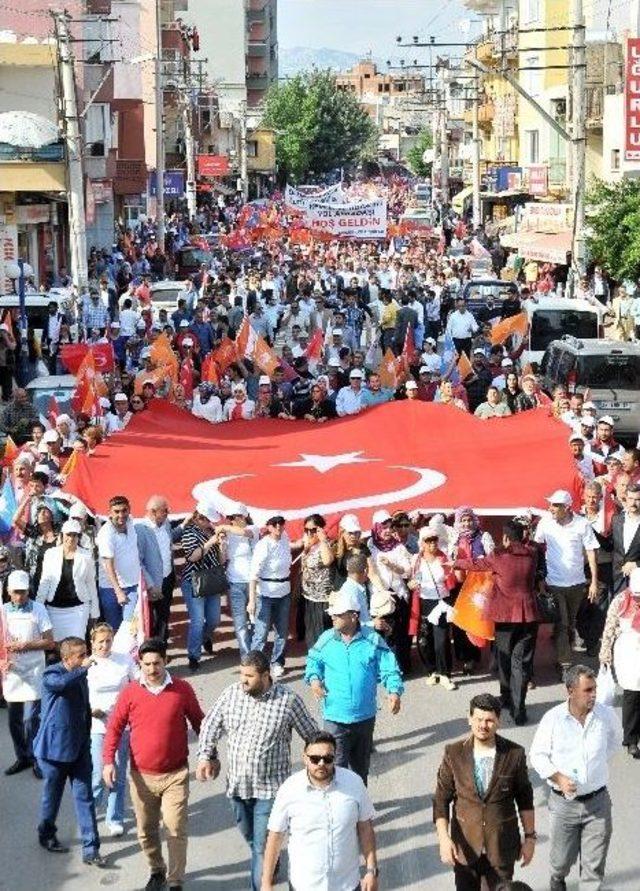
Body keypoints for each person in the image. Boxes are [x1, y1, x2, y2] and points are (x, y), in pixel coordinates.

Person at [195, 650, 319, 891]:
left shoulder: (288, 701)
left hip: (271, 790)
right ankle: (272, 860)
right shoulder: (232, 694)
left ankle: (262, 878)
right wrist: (205, 756)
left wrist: (316, 766)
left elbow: (312, 735)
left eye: (249, 676)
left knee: (261, 849)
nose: (243, 681)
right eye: (241, 674)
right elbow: (210, 724)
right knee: (253, 841)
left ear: (265, 675)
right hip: (238, 787)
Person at [103, 637, 204, 891]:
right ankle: (157, 870)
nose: (152, 669)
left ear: (166, 661)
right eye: (146, 664)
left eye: (156, 663)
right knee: (146, 831)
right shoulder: (130, 693)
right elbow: (114, 729)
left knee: (175, 828)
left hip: (176, 775)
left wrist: (207, 755)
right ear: (140, 664)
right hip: (141, 776)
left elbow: (200, 724)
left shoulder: (182, 689)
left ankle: (175, 881)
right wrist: (108, 762)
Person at [530, 664, 622, 891]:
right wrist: (558, 777)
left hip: (598, 804)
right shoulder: (552, 720)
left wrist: (596, 766)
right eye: (587, 690)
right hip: (564, 805)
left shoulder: (606, 715)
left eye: (595, 689)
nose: (593, 695)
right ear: (570, 690)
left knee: (594, 867)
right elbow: (537, 755)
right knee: (561, 861)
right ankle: (557, 879)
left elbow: (614, 742)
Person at [434, 693, 536, 891]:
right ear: (469, 718)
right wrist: (444, 839)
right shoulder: (453, 753)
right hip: (465, 850)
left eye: (489, 720)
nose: (483, 725)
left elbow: (525, 799)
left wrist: (530, 838)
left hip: (501, 849)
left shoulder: (514, 754)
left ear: (499, 721)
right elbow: (441, 800)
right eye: (479, 719)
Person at [305, 587, 404, 785]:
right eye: (332, 614)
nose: (333, 618)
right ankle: (339, 812)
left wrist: (394, 691)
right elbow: (313, 662)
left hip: (364, 718)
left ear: (353, 616)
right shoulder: (326, 639)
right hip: (335, 717)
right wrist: (314, 679)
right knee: (336, 769)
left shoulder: (373, 640)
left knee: (360, 771)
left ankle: (360, 810)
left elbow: (390, 669)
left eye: (338, 615)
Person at [261, 730, 379, 891]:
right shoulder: (289, 790)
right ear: (305, 758)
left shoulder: (354, 784)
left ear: (335, 758)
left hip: (347, 885)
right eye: (315, 759)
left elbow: (365, 828)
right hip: (304, 885)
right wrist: (266, 883)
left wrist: (371, 870)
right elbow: (275, 837)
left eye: (328, 758)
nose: (321, 763)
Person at [455, 522, 541, 725]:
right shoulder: (532, 555)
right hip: (528, 615)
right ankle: (519, 710)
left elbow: (476, 564)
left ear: (505, 538)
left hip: (504, 616)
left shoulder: (498, 557)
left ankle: (506, 697)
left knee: (504, 659)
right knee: (521, 663)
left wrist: (455, 564)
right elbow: (531, 548)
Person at [33, 636, 104, 867]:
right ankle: (46, 833)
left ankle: (91, 848)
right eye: (80, 655)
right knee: (52, 796)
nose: (86, 658)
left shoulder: (79, 674)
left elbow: (81, 702)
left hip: (80, 746)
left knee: (85, 797)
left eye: (86, 653)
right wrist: (82, 669)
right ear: (66, 658)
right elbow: (62, 685)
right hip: (54, 750)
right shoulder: (51, 674)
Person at [534, 489, 600, 673]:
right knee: (563, 624)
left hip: (577, 584)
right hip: (553, 583)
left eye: (555, 505)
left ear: (567, 507)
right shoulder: (545, 523)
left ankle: (561, 653)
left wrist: (594, 581)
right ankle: (565, 664)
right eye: (551, 505)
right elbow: (537, 547)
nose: (551, 508)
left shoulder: (582, 524)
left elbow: (591, 551)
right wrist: (539, 579)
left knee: (568, 624)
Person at [2, 569, 54, 777]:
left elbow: (50, 641)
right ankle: (22, 756)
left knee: (32, 719)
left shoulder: (38, 609)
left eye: (23, 592)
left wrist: (26, 644)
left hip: (33, 669)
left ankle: (36, 757)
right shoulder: (2, 611)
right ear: (8, 591)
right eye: (16, 592)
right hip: (12, 671)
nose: (20, 596)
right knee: (13, 718)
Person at [88, 622, 136, 836]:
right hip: (97, 726)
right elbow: (80, 692)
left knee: (116, 772)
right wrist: (90, 710)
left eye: (108, 641)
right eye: (100, 642)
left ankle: (114, 817)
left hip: (121, 726)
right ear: (93, 643)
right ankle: (91, 805)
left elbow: (138, 684)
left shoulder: (124, 660)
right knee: (99, 773)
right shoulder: (87, 664)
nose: (105, 646)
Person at [410, 524, 457, 690]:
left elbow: (452, 581)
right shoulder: (416, 560)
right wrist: (411, 584)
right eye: (428, 541)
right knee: (424, 641)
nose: (432, 544)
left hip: (441, 602)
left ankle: (445, 674)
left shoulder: (443, 558)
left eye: (434, 541)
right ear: (422, 543)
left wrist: (451, 572)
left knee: (441, 640)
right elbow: (412, 580)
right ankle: (432, 671)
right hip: (423, 602)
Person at [36, 519, 100, 642]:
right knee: (57, 646)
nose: (71, 538)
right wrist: (38, 608)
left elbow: (91, 585)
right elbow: (44, 582)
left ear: (79, 537)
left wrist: (95, 612)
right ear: (62, 535)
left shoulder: (86, 556)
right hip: (54, 609)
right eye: (68, 534)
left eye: (75, 535)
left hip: (79, 609)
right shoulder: (50, 554)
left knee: (76, 645)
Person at [599, 567, 640, 758]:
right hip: (628, 650)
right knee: (632, 693)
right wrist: (605, 653)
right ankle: (631, 739)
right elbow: (609, 627)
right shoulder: (621, 600)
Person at [249, 516, 292, 679]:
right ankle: (254, 665)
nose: (278, 526)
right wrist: (252, 600)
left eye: (281, 523)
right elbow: (253, 574)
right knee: (261, 632)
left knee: (282, 630)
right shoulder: (263, 545)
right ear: (268, 527)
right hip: (265, 593)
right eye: (274, 524)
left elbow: (289, 549)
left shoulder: (285, 539)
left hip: (284, 590)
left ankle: (278, 662)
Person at [96, 495, 142, 631]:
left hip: (133, 585)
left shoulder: (131, 521)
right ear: (110, 512)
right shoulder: (106, 534)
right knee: (115, 630)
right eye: (116, 511)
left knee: (131, 628)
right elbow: (108, 565)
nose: (121, 515)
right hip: (111, 589)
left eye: (124, 510)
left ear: (129, 510)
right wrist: (119, 592)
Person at [141, 495, 180, 644]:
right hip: (153, 583)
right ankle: (153, 649)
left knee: (163, 616)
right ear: (152, 511)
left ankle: (161, 648)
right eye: (164, 511)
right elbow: (139, 562)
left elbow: (171, 538)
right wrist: (150, 585)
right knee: (152, 618)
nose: (167, 513)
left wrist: (184, 526)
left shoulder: (166, 524)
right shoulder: (141, 530)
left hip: (168, 578)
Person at [297, 513, 335, 649]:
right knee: (311, 636)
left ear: (320, 529)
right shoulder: (309, 544)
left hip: (322, 599)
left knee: (323, 637)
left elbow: (327, 560)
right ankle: (314, 665)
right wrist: (306, 546)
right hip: (308, 597)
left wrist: (322, 540)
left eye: (313, 530)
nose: (309, 533)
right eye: (306, 530)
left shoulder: (326, 544)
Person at [611, 483, 640, 593]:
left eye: (637, 499)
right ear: (626, 499)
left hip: (638, 580)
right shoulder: (616, 520)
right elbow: (610, 546)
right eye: (631, 498)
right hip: (617, 577)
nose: (633, 503)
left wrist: (636, 564)